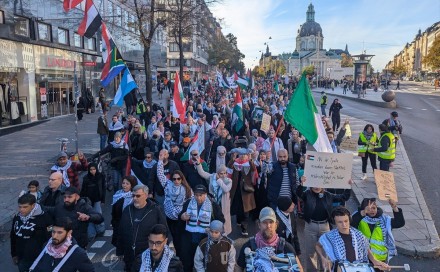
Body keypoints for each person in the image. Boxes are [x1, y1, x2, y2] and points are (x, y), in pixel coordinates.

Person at [295, 178, 352, 271]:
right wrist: (301, 184)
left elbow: (343, 197)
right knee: (311, 253)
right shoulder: (307, 194)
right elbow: (298, 194)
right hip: (310, 226)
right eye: (314, 184)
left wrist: (349, 186)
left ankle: (325, 270)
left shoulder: (328, 195)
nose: (317, 187)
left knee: (326, 251)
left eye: (319, 184)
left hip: (325, 226)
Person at [315, 207, 390, 272]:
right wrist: (323, 258)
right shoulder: (329, 236)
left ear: (349, 220)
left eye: (346, 221)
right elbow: (318, 246)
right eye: (340, 222)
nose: (344, 225)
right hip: (339, 269)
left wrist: (374, 260)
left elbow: (366, 248)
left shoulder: (359, 235)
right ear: (335, 222)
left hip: (359, 268)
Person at [116, 185, 168, 271]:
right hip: (129, 255)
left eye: (138, 196)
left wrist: (162, 252)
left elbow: (164, 231)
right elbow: (121, 231)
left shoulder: (155, 210)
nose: (135, 198)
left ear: (146, 196)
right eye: (133, 196)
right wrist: (119, 251)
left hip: (148, 254)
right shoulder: (127, 210)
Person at [236, 207, 303, 271]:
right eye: (264, 222)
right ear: (259, 225)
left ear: (276, 225)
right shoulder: (248, 247)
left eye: (271, 222)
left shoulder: (286, 248)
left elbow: (299, 269)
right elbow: (239, 268)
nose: (268, 226)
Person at [179, 184, 225, 272]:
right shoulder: (188, 203)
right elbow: (180, 217)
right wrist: (182, 216)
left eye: (201, 195)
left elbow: (221, 220)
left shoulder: (213, 205)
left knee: (205, 263)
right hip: (189, 238)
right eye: (196, 195)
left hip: (205, 239)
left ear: (206, 194)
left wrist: (212, 228)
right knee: (187, 262)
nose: (198, 198)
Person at [351, 198, 405, 270]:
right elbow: (351, 224)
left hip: (380, 260)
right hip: (362, 258)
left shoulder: (384, 220)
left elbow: (399, 223)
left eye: (374, 208)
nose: (372, 210)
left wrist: (394, 207)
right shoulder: (359, 218)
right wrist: (363, 212)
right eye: (369, 208)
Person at [28, 217, 94, 272]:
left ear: (69, 233)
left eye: (59, 233)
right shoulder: (46, 246)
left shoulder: (77, 253)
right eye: (53, 232)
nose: (54, 236)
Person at [157, 156, 192, 257]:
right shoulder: (167, 185)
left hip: (180, 218)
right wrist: (160, 160)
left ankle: (181, 256)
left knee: (179, 238)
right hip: (169, 216)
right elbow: (160, 175)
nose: (176, 181)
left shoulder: (186, 189)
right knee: (172, 235)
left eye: (178, 179)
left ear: (182, 179)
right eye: (174, 179)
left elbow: (192, 201)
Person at [10, 194, 53, 272]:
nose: (21, 210)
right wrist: (14, 254)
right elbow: (13, 236)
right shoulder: (17, 218)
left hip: (39, 259)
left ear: (33, 206)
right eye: (20, 207)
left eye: (25, 207)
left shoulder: (45, 217)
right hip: (22, 258)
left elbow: (50, 237)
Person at [196, 164, 232, 235]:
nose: (223, 175)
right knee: (213, 217)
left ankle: (223, 233)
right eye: (221, 173)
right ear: (217, 173)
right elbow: (202, 173)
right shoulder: (212, 177)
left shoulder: (228, 181)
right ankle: (213, 232)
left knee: (223, 218)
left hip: (223, 203)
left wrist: (219, 180)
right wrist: (198, 164)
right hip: (213, 202)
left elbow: (226, 189)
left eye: (225, 173)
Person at [228, 149, 256, 236]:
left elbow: (253, 168)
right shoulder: (235, 162)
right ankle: (238, 220)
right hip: (236, 189)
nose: (243, 156)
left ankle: (244, 228)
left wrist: (250, 159)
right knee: (238, 206)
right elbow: (229, 167)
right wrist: (233, 158)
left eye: (244, 155)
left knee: (246, 209)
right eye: (241, 155)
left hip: (246, 189)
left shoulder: (248, 163)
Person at [80, 163, 106, 239]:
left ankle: (100, 231)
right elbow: (83, 189)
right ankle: (92, 233)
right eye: (91, 169)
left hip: (97, 199)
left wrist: (103, 200)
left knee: (98, 214)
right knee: (89, 216)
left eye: (94, 169)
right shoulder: (86, 178)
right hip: (88, 200)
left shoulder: (101, 176)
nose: (92, 171)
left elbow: (103, 188)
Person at [111, 176, 137, 247]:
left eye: (127, 183)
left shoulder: (134, 196)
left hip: (129, 225)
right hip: (118, 224)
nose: (124, 185)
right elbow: (114, 210)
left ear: (132, 185)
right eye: (123, 183)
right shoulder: (118, 194)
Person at [252, 149, 271, 221]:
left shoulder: (269, 163)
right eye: (261, 154)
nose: (262, 156)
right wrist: (259, 167)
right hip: (258, 184)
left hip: (266, 184)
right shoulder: (255, 163)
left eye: (264, 154)